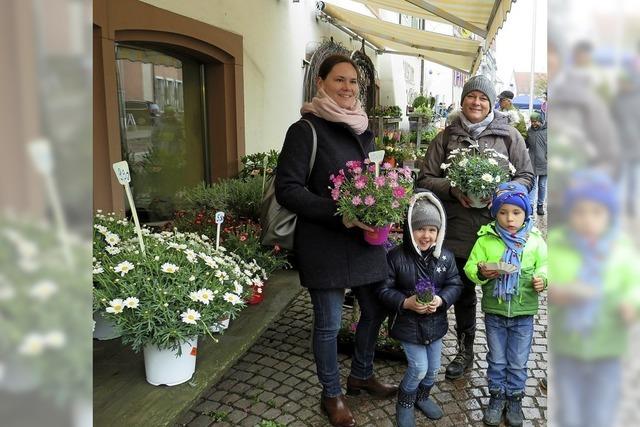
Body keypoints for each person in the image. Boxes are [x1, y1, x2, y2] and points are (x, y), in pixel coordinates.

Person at [275, 54, 397, 427]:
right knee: (328, 324)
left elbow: (369, 180)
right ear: (321, 83)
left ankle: (361, 373)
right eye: (339, 80)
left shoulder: (362, 129)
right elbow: (288, 190)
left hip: (363, 240)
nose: (347, 88)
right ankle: (331, 394)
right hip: (324, 241)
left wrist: (384, 203)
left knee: (374, 310)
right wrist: (337, 212)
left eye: (353, 82)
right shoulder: (305, 129)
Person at [417, 75, 533, 381]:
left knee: (503, 293)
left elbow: (526, 175)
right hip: (455, 230)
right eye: (472, 97)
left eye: (483, 98)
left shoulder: (509, 136)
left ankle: (506, 360)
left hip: (499, 233)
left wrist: (502, 192)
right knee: (463, 292)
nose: (477, 103)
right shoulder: (446, 137)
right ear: (463, 100)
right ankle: (464, 351)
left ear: (492, 102)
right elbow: (424, 178)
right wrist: (453, 188)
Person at [548, 171, 639, 427]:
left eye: (597, 212)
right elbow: (549, 280)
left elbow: (635, 283)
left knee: (601, 415)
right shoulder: (558, 243)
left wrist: (631, 303)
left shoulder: (621, 247)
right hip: (568, 347)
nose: (588, 220)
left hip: (607, 347)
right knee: (571, 413)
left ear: (609, 214)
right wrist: (557, 294)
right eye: (580, 212)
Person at [464, 182, 547, 427]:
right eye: (503, 212)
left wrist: (543, 279)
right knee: (497, 359)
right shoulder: (486, 240)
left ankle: (515, 399)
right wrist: (480, 273)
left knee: (519, 361)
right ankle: (497, 397)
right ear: (494, 213)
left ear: (526, 214)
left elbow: (546, 265)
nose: (509, 218)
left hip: (523, 313)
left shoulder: (534, 241)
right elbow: (470, 266)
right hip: (495, 312)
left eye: (516, 212)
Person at [376, 191, 463, 427]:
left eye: (432, 230)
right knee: (419, 367)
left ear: (439, 231)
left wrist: (442, 300)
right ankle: (404, 403)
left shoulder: (445, 257)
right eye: (420, 229)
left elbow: (455, 283)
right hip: (407, 325)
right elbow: (383, 290)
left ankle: (422, 398)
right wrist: (405, 303)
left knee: (434, 368)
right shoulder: (395, 256)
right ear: (409, 230)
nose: (426, 235)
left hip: (435, 323)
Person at [525, 111, 548, 215]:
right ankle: (530, 205)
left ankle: (540, 205)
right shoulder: (529, 131)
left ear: (540, 121)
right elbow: (526, 145)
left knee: (542, 185)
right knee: (533, 185)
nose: (534, 123)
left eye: (536, 121)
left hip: (545, 162)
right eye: (532, 121)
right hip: (532, 162)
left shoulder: (547, 131)